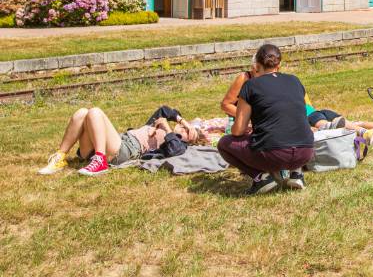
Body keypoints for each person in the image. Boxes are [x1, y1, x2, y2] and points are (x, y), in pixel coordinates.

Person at [217, 43, 314, 195]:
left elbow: (238, 130)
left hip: (274, 155)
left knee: (224, 143)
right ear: (279, 65)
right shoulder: (295, 81)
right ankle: (297, 173)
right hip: (306, 152)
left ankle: (261, 178)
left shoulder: (250, 86)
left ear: (256, 66)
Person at [38, 106, 208, 176]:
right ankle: (60, 157)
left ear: (189, 141)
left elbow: (175, 152)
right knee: (83, 112)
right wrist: (183, 122)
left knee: (95, 112)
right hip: (116, 141)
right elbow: (165, 109)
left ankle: (100, 161)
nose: (183, 131)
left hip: (125, 150)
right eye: (185, 128)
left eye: (187, 133)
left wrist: (168, 130)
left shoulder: (178, 144)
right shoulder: (156, 124)